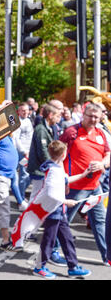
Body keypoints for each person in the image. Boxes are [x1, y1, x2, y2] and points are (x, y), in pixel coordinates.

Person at [59, 103, 110, 265]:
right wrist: (63, 180)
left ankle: (107, 256)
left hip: (95, 186)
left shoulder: (100, 133)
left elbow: (108, 154)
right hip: (75, 187)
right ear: (83, 115)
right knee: (63, 221)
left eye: (97, 116)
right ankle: (51, 251)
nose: (93, 119)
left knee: (100, 222)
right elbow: (58, 156)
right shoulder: (71, 132)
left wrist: (103, 164)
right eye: (90, 116)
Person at [33, 140, 91, 279]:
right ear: (64, 154)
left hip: (60, 212)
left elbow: (66, 180)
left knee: (67, 239)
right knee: (48, 240)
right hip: (53, 211)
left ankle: (73, 266)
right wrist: (66, 201)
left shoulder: (57, 167)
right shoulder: (54, 170)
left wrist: (83, 175)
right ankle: (39, 267)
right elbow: (51, 194)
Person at [13, 102, 33, 201]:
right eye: (23, 110)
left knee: (29, 175)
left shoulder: (28, 120)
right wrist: (24, 151)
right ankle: (20, 197)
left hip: (29, 151)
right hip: (22, 153)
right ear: (19, 111)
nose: (25, 112)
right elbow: (16, 139)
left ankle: (20, 193)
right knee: (24, 175)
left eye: (26, 110)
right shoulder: (18, 122)